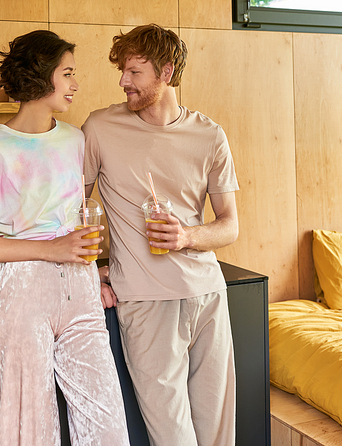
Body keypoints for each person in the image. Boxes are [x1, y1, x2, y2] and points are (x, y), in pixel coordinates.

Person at [0, 29, 130, 446]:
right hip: (22, 294)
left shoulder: (75, 140)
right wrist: (53, 250)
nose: (75, 84)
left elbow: (72, 218)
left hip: (81, 292)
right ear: (41, 77)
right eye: (67, 74)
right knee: (27, 430)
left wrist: (93, 267)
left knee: (107, 426)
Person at [82, 24, 239, 446]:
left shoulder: (209, 135)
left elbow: (229, 224)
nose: (122, 81)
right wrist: (88, 270)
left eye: (134, 72)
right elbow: (72, 210)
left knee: (217, 433)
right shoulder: (99, 127)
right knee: (173, 436)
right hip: (147, 301)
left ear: (166, 72)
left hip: (207, 295)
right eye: (122, 71)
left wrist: (186, 236)